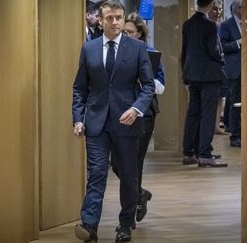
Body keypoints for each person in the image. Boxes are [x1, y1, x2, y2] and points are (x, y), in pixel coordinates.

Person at [72, 1, 155, 242]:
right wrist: (78, 118)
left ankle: (125, 224)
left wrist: (137, 109)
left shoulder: (137, 47)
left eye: (119, 17)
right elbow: (79, 88)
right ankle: (89, 225)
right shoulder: (89, 49)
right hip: (96, 122)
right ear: (100, 20)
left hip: (127, 122)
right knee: (96, 173)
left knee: (128, 175)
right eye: (110, 18)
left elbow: (148, 85)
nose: (115, 22)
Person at [112, 11, 165, 225]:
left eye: (131, 32)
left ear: (140, 34)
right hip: (120, 113)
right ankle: (140, 194)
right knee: (116, 163)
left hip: (145, 113)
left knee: (134, 163)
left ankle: (130, 213)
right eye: (124, 32)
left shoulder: (150, 53)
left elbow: (160, 87)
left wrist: (143, 75)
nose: (127, 35)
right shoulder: (115, 52)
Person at [181, 0, 228, 168]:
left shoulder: (187, 24)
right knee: (207, 114)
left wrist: (185, 74)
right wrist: (221, 60)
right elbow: (213, 51)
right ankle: (205, 154)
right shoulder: (210, 25)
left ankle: (188, 153)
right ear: (209, 6)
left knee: (193, 113)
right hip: (209, 75)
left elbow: (184, 51)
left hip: (192, 74)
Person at [219, 0, 242, 147]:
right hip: (234, 70)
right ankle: (235, 135)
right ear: (235, 10)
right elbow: (222, 46)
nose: (244, 9)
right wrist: (238, 43)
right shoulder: (226, 25)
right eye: (241, 7)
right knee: (235, 102)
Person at [208, 0, 227, 135]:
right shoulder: (205, 26)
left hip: (221, 68)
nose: (218, 12)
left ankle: (216, 126)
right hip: (209, 70)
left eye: (220, 9)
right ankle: (210, 128)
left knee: (220, 97)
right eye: (215, 9)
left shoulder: (219, 25)